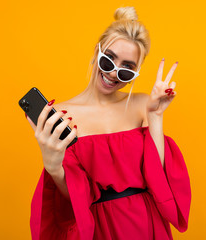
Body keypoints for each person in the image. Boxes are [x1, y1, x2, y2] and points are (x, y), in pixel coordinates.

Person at [25, 6, 191, 240]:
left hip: (147, 223)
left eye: (127, 69)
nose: (114, 73)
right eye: (109, 59)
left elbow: (160, 179)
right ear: (97, 52)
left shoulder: (144, 103)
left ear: (136, 74)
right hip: (98, 228)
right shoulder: (61, 114)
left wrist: (155, 116)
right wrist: (54, 167)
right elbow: (72, 197)